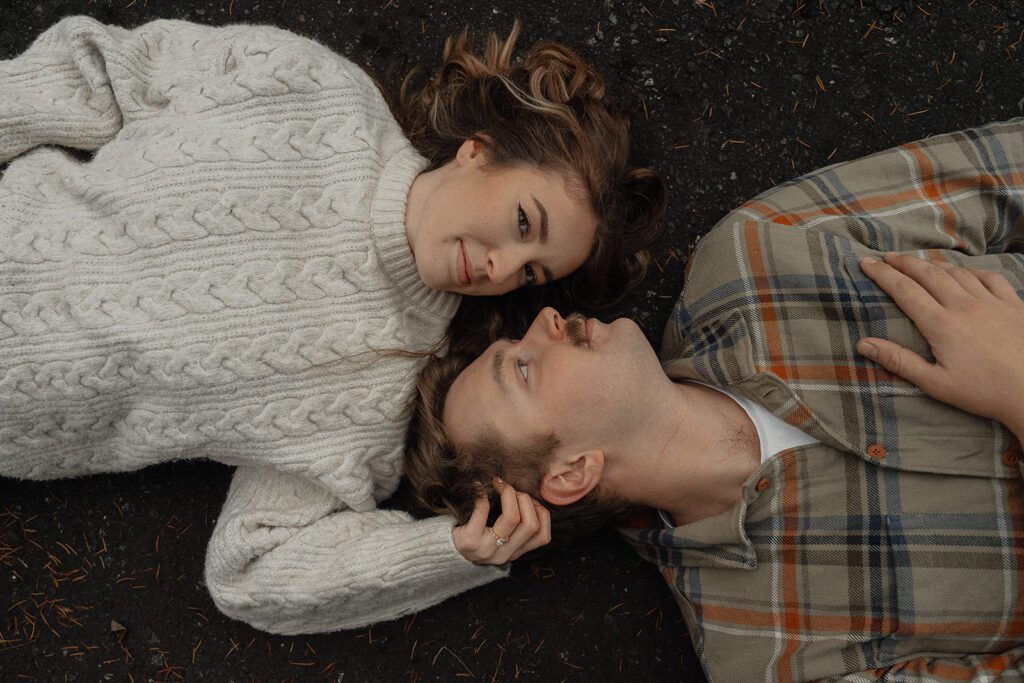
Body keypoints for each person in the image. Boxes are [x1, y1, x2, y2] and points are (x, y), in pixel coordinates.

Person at [0, 16, 665, 633]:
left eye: (530, 272)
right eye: (524, 223)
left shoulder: (374, 395)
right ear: (478, 150)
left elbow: (253, 571)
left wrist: (446, 550)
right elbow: (104, 72)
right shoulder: (312, 89)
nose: (501, 264)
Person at [406, 118, 1024, 679]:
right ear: (572, 473)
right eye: (520, 370)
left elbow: (1001, 172)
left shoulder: (756, 258)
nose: (546, 318)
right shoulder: (770, 651)